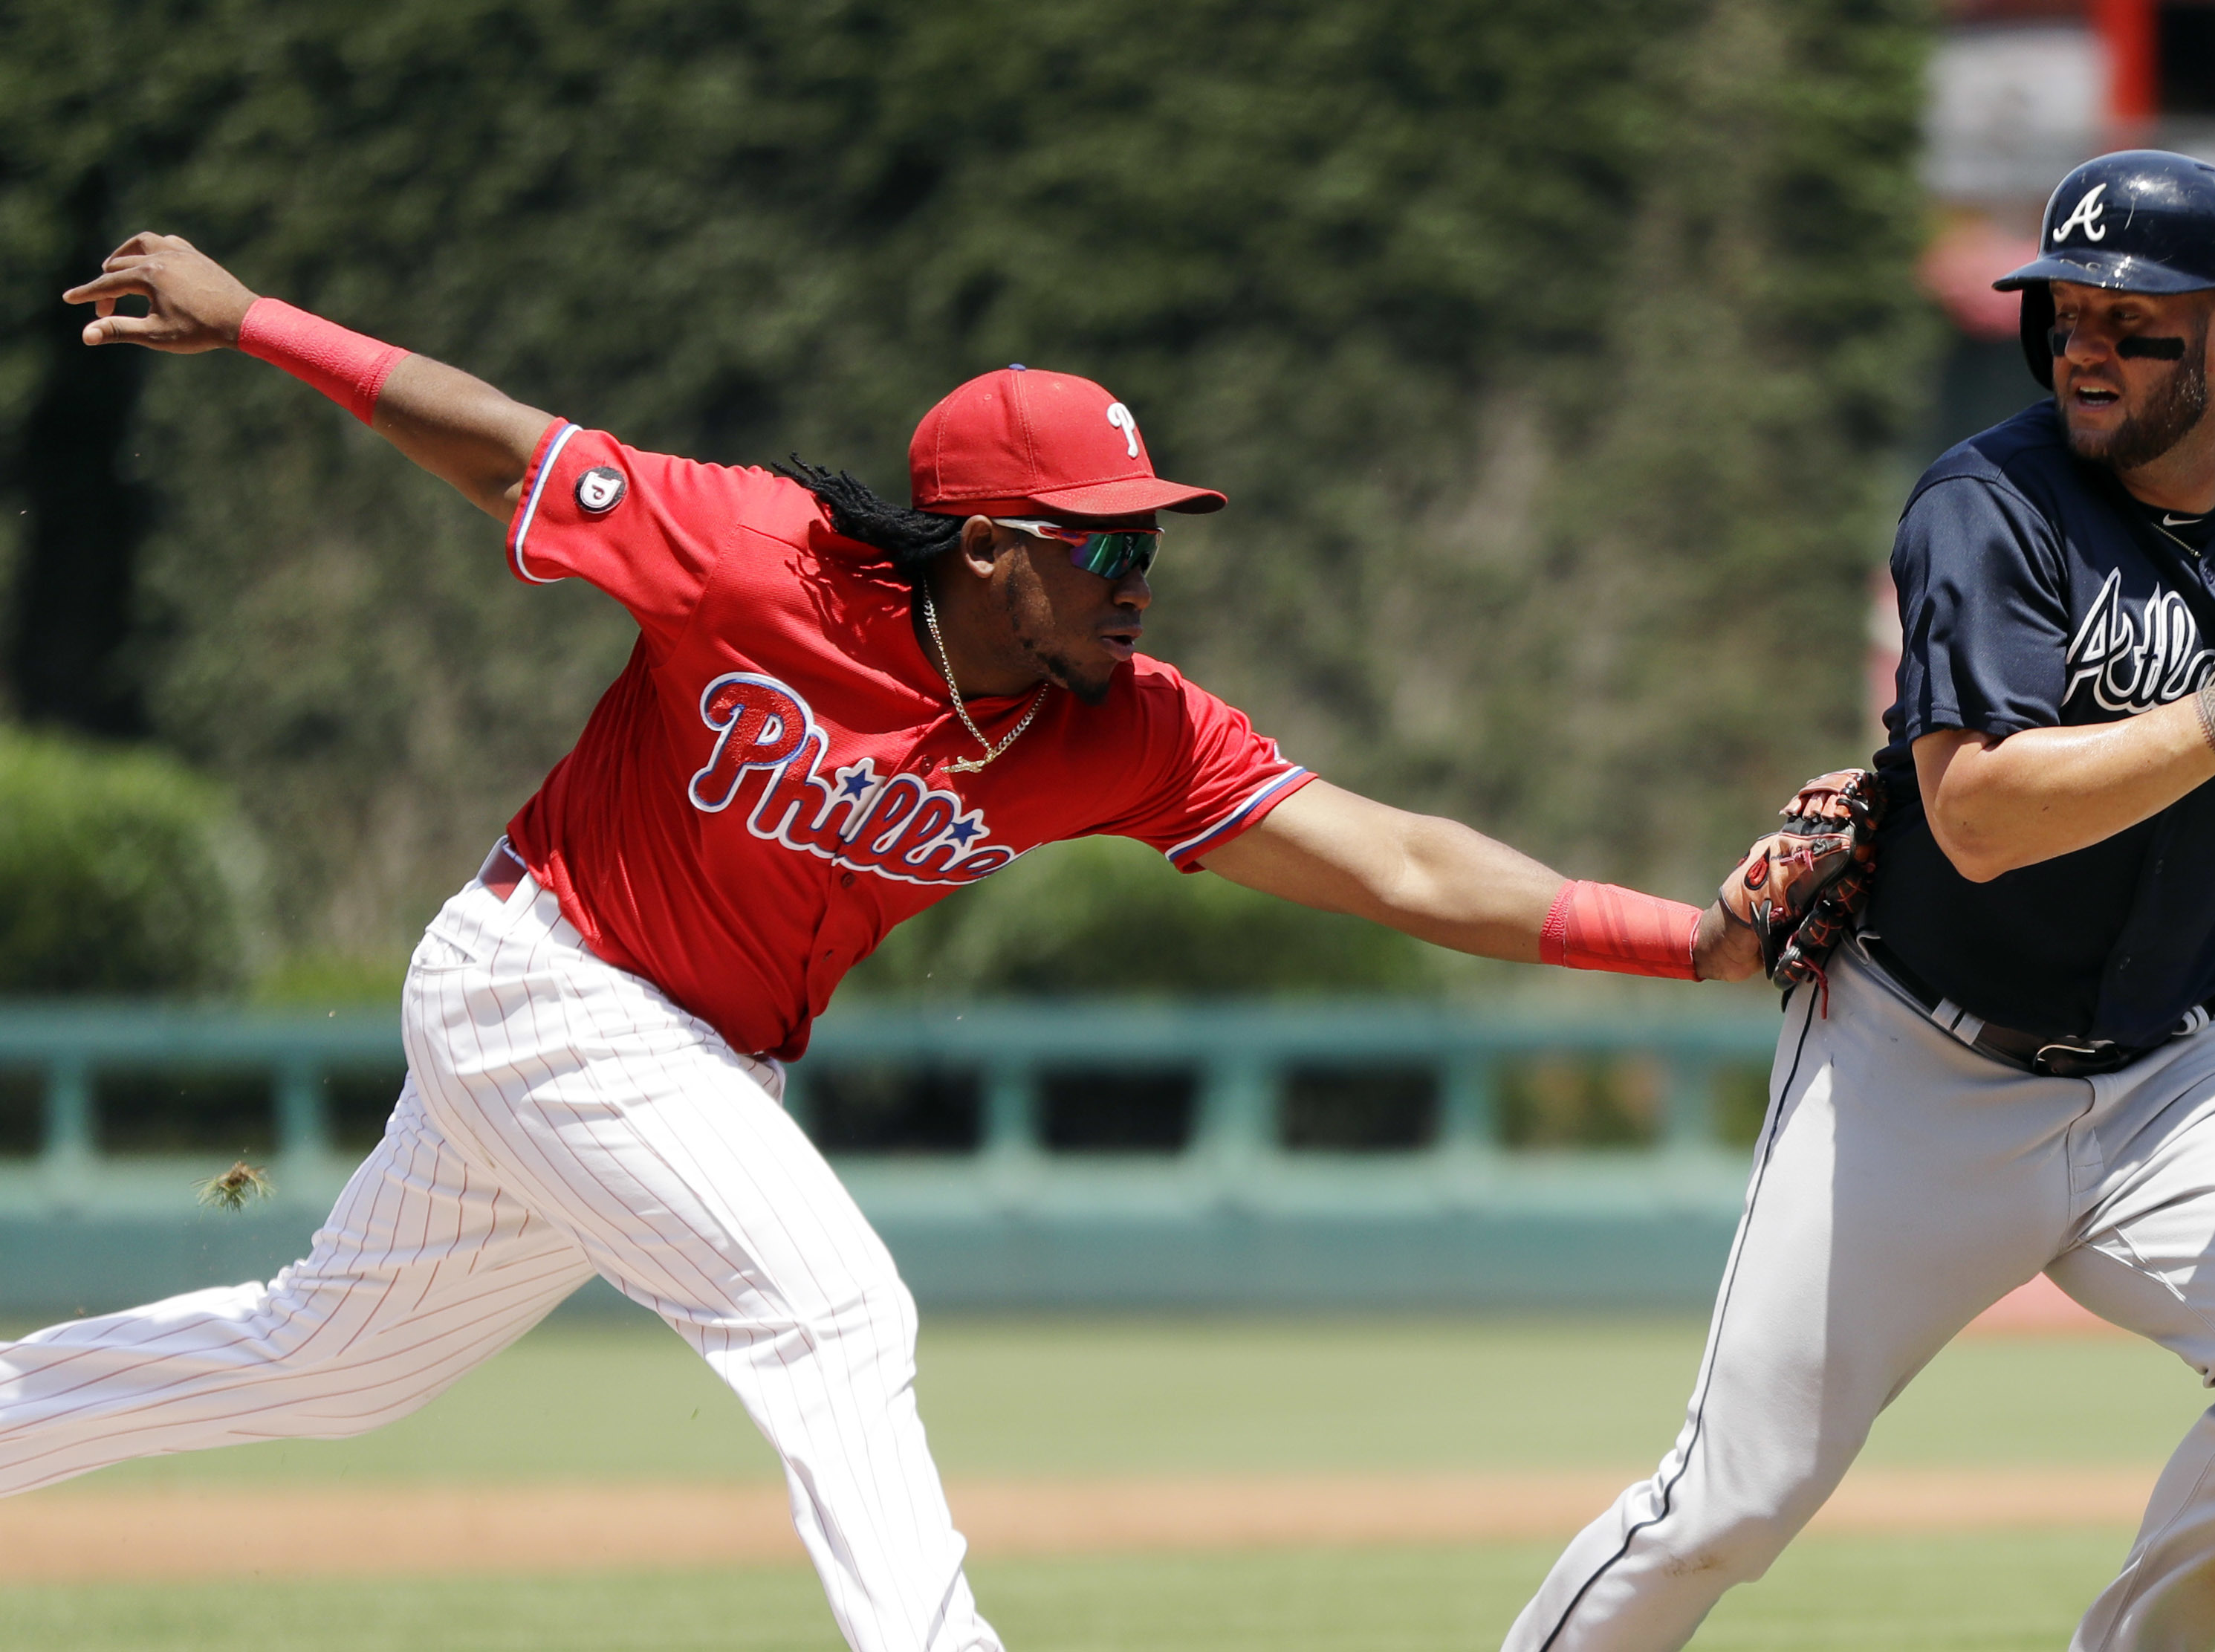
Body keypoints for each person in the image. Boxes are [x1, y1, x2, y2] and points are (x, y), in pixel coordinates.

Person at [14, 233, 1794, 1652]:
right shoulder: (751, 557)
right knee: (834, 1305)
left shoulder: (1122, 727)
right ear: (993, 546)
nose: (1138, 578)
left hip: (686, 1056)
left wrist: (1691, 941)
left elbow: (1397, 860)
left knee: (329, 1362)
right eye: (1104, 546)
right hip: (542, 977)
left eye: (1146, 543)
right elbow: (501, 444)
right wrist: (258, 322)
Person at [1504, 151, 2215, 1652]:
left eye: (2129, 322)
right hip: (1918, 1065)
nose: (2083, 347)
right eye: (2061, 313)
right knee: (1729, 1503)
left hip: (2165, 1070)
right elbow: (1973, 818)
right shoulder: (1987, 505)